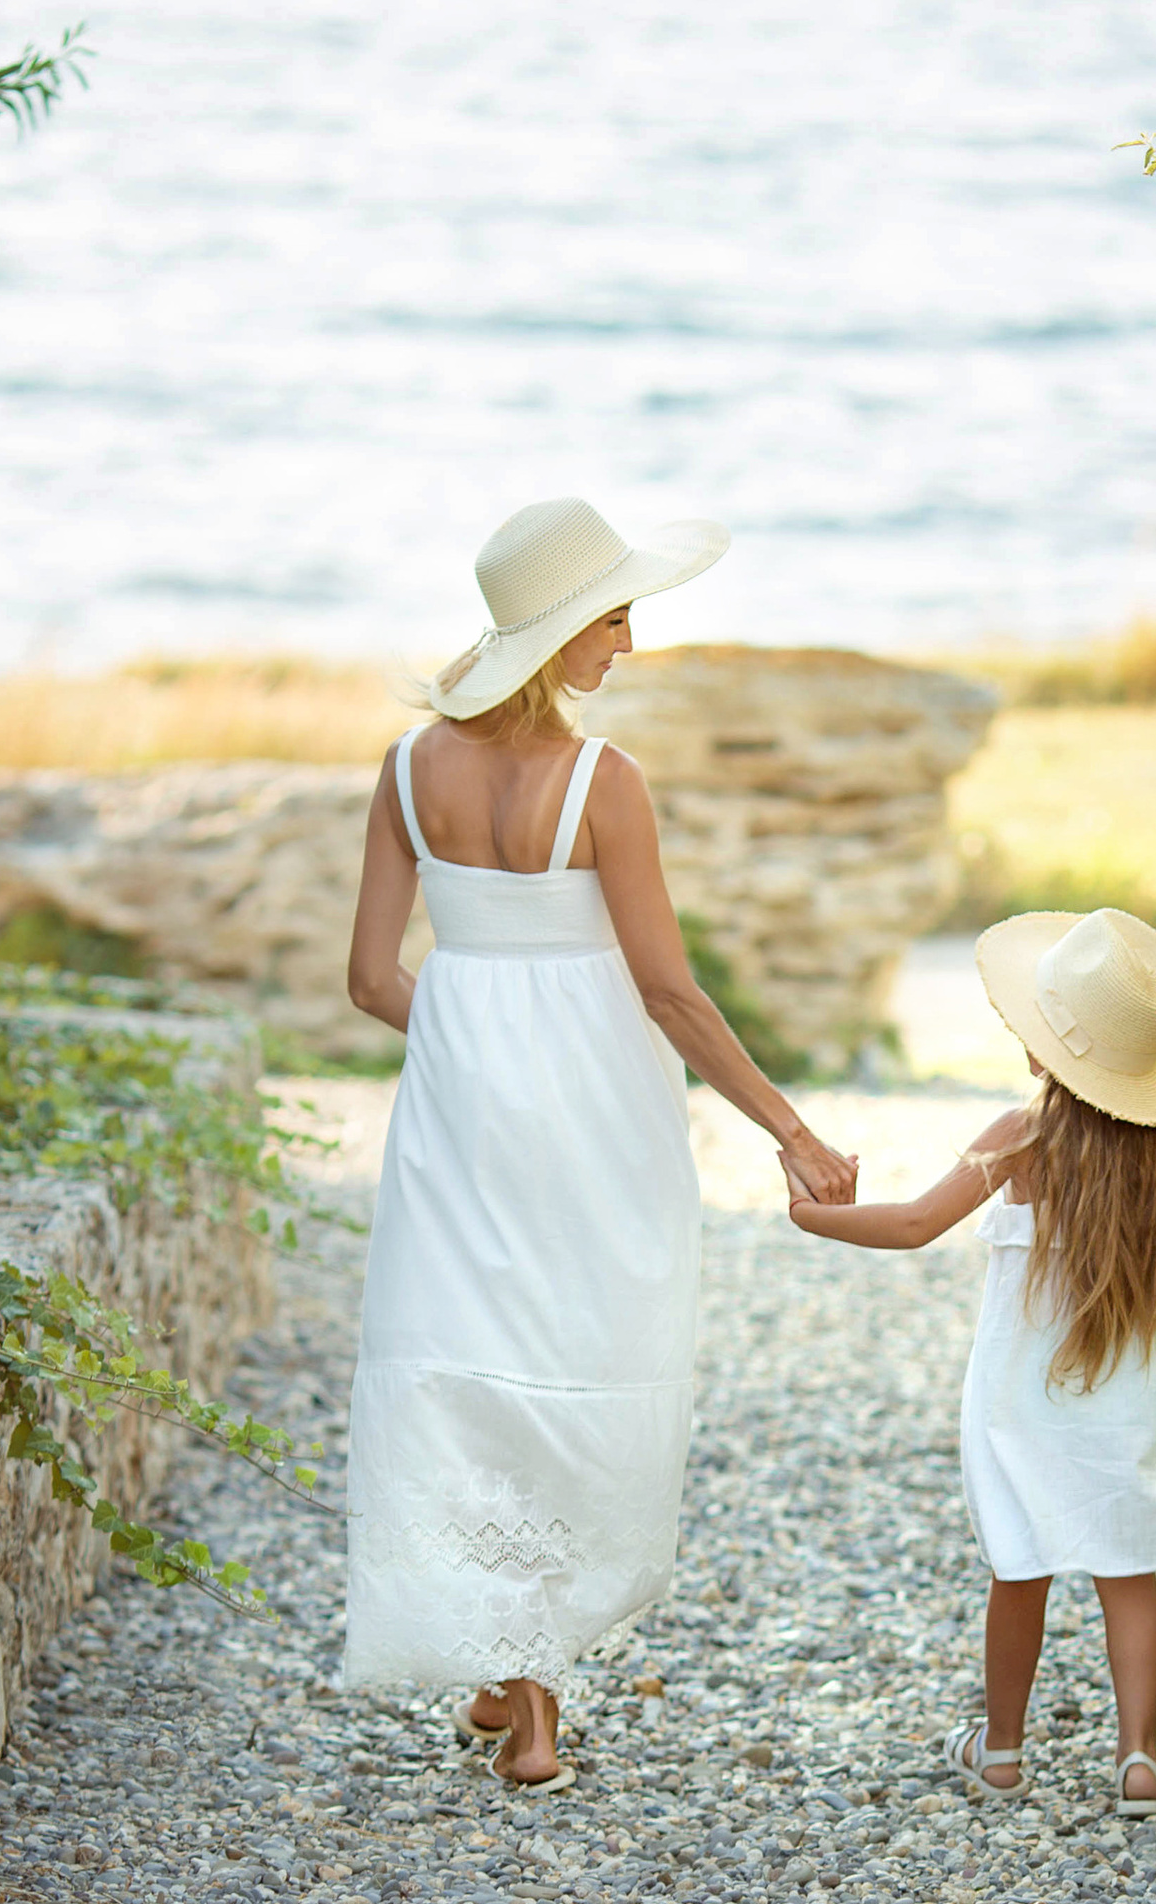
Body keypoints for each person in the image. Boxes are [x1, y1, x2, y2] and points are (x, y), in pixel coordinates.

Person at [343, 496, 858, 1790]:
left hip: (456, 1117)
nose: (628, 641)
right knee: (570, 1360)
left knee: (471, 1365)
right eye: (615, 616)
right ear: (559, 629)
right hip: (592, 1117)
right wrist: (790, 1129)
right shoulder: (602, 783)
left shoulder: (405, 771)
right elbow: (669, 993)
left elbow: (369, 978)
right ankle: (534, 1719)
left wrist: (465, 1046)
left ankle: (496, 1664)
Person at [787, 904, 1156, 1813]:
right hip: (1135, 1390)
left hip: (1026, 1396)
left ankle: (1003, 1752)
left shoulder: (1023, 1135)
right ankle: (1139, 1761)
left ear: (1049, 1046)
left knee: (1020, 1566)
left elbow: (913, 1224)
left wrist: (813, 1215)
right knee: (1128, 1569)